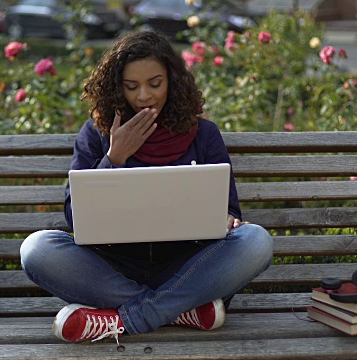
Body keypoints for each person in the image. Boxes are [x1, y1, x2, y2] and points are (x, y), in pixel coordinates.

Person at [20, 30, 273, 344]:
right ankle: (180, 310)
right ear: (116, 87)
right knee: (36, 249)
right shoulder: (97, 133)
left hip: (188, 267)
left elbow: (231, 211)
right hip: (113, 270)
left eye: (155, 84)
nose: (143, 96)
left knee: (256, 240)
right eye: (131, 86)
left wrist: (227, 219)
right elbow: (76, 218)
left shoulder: (203, 134)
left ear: (172, 81)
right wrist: (114, 157)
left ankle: (127, 317)